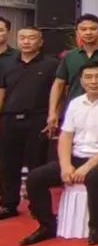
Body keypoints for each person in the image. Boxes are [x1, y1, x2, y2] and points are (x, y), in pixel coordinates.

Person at [20, 60, 98, 246]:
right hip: (76, 157)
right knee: (36, 178)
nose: (93, 81)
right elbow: (66, 136)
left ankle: (96, 228)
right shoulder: (75, 103)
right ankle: (46, 226)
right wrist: (65, 166)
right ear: (81, 80)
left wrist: (87, 167)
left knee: (94, 177)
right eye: (88, 77)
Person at [0, 28, 59, 220]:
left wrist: (53, 115)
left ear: (40, 42)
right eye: (22, 38)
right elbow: (1, 90)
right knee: (8, 164)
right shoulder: (6, 63)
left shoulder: (51, 64)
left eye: (32, 38)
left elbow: (58, 91)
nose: (26, 42)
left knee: (36, 164)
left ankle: (37, 205)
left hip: (38, 118)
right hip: (9, 117)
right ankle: (9, 204)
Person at [47, 13, 98, 135]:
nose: (88, 32)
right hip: (76, 110)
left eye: (93, 29)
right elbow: (59, 84)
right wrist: (53, 112)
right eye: (83, 29)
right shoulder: (70, 56)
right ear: (77, 32)